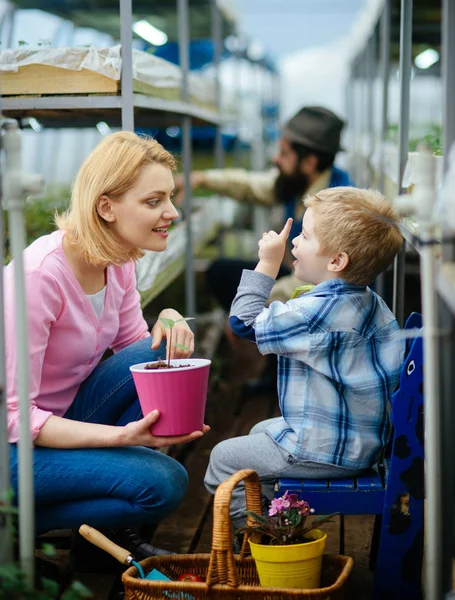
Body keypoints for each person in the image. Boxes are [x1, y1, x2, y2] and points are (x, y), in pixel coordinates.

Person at [5, 131, 209, 559]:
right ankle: (15, 522)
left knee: (160, 351)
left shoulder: (116, 263)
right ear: (106, 207)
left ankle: (102, 534)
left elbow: (139, 350)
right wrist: (119, 438)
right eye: (153, 201)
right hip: (13, 446)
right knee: (164, 483)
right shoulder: (40, 278)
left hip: (61, 419)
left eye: (170, 198)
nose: (171, 212)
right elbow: (15, 417)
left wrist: (169, 319)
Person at [204, 186, 405, 530]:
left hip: (329, 450)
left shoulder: (319, 312)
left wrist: (268, 262)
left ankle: (258, 538)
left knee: (223, 459)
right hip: (363, 439)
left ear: (336, 261)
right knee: (258, 430)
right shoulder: (367, 299)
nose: (294, 241)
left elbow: (243, 322)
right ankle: (277, 513)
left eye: (305, 236)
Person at [175, 106, 353, 393]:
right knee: (221, 272)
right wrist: (201, 178)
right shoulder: (299, 181)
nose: (275, 158)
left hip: (320, 295)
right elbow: (254, 186)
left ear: (309, 162)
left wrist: (255, 307)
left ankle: (282, 375)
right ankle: (273, 361)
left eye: (283, 153)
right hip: (298, 274)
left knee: (250, 298)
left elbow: (320, 283)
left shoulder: (336, 209)